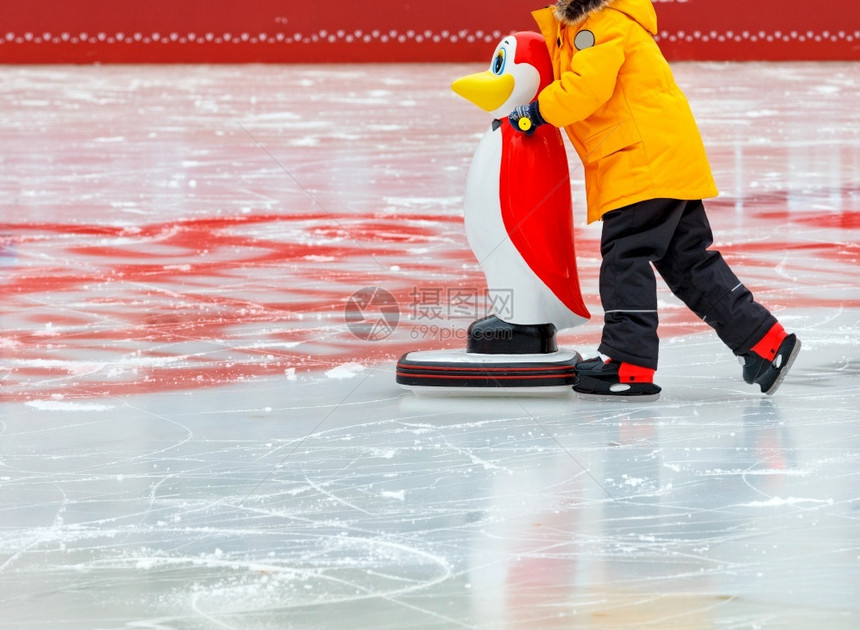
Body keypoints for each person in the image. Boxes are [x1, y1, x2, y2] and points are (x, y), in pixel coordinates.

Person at [508, 0, 800, 400]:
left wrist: (535, 112)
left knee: (625, 256)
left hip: (640, 161)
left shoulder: (597, 24)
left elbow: (587, 87)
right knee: (689, 263)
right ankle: (766, 343)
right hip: (664, 160)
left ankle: (628, 363)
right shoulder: (604, 22)